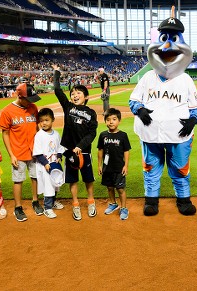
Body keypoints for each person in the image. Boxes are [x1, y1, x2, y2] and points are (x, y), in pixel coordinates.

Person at [129, 8, 197, 216]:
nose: (167, 46)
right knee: (151, 168)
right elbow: (133, 101)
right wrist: (140, 109)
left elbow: (196, 107)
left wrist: (193, 120)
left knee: (180, 168)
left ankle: (183, 200)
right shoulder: (147, 77)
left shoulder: (186, 79)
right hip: (150, 134)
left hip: (179, 135)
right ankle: (151, 200)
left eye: (174, 38)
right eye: (163, 38)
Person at [52, 64, 98, 221]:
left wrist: (81, 146)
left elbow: (92, 133)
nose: (74, 95)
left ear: (85, 97)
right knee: (72, 179)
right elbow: (58, 91)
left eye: (78, 93)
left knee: (88, 178)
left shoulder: (91, 113)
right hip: (69, 151)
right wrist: (57, 72)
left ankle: (91, 201)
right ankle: (76, 203)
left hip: (84, 151)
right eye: (73, 93)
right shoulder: (68, 107)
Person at [0, 82, 43, 222]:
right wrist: (11, 155)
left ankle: (35, 201)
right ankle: (18, 207)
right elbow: (5, 134)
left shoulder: (33, 107)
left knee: (35, 177)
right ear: (19, 96)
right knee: (18, 180)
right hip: (18, 152)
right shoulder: (7, 111)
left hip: (34, 151)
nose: (30, 102)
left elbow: (37, 127)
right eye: (28, 99)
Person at [97, 108, 131, 220]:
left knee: (120, 189)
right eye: (108, 119)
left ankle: (124, 208)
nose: (111, 122)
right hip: (107, 168)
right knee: (110, 187)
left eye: (114, 119)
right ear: (105, 121)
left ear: (119, 121)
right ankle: (113, 203)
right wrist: (99, 165)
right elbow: (100, 150)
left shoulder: (123, 135)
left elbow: (126, 151)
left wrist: (126, 165)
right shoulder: (102, 135)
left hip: (119, 168)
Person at [33, 108, 65, 219]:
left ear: (52, 120)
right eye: (41, 121)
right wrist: (45, 163)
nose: (44, 123)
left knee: (55, 184)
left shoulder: (56, 134)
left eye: (46, 120)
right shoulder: (39, 135)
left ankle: (53, 202)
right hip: (44, 165)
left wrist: (60, 157)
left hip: (54, 164)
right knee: (48, 186)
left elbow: (60, 147)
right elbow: (37, 153)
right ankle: (47, 208)